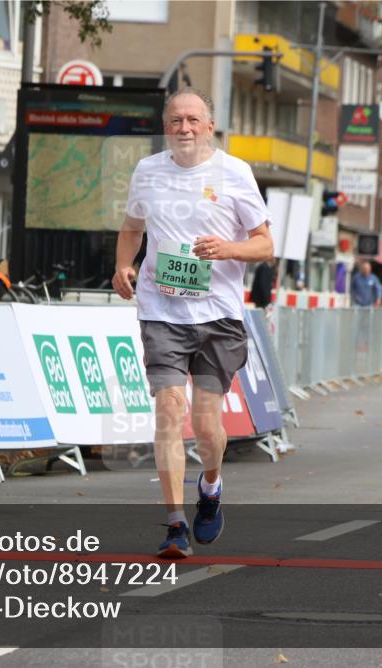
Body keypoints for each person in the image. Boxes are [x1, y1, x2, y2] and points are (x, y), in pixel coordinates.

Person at [112, 88, 273, 558]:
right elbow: (131, 229)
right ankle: (175, 523)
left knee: (206, 426)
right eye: (176, 120)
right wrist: (124, 265)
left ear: (209, 126)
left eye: (193, 120)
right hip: (161, 310)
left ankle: (211, 484)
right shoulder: (148, 171)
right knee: (168, 412)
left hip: (218, 316)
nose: (184, 128)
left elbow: (264, 245)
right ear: (167, 126)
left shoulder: (235, 173)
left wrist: (229, 249)